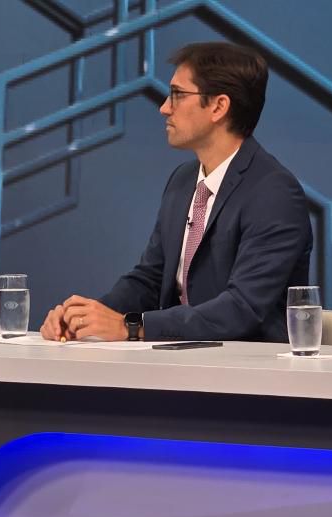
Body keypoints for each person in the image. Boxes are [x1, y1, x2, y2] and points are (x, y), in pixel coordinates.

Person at [41, 42, 311, 343]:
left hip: (248, 365)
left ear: (218, 107)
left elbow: (242, 309)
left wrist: (132, 327)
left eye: (178, 95)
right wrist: (85, 318)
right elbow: (151, 279)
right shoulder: (183, 180)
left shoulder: (274, 193)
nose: (164, 107)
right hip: (181, 360)